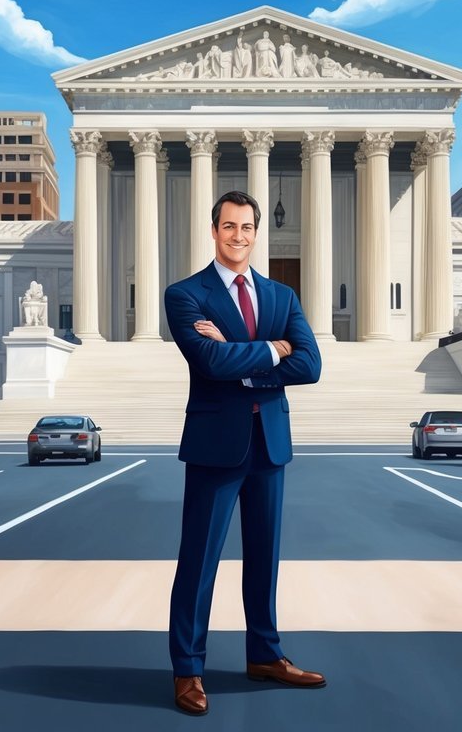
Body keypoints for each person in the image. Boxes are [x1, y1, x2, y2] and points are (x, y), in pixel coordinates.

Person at [164, 190, 324, 716]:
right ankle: (188, 670)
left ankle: (265, 655)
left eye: (247, 228)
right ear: (214, 231)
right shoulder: (185, 294)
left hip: (269, 443)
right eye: (229, 227)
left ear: (258, 233)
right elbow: (208, 362)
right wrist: (273, 350)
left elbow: (310, 365)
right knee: (199, 562)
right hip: (216, 446)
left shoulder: (281, 296)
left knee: (264, 559)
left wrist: (246, 358)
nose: (238, 236)